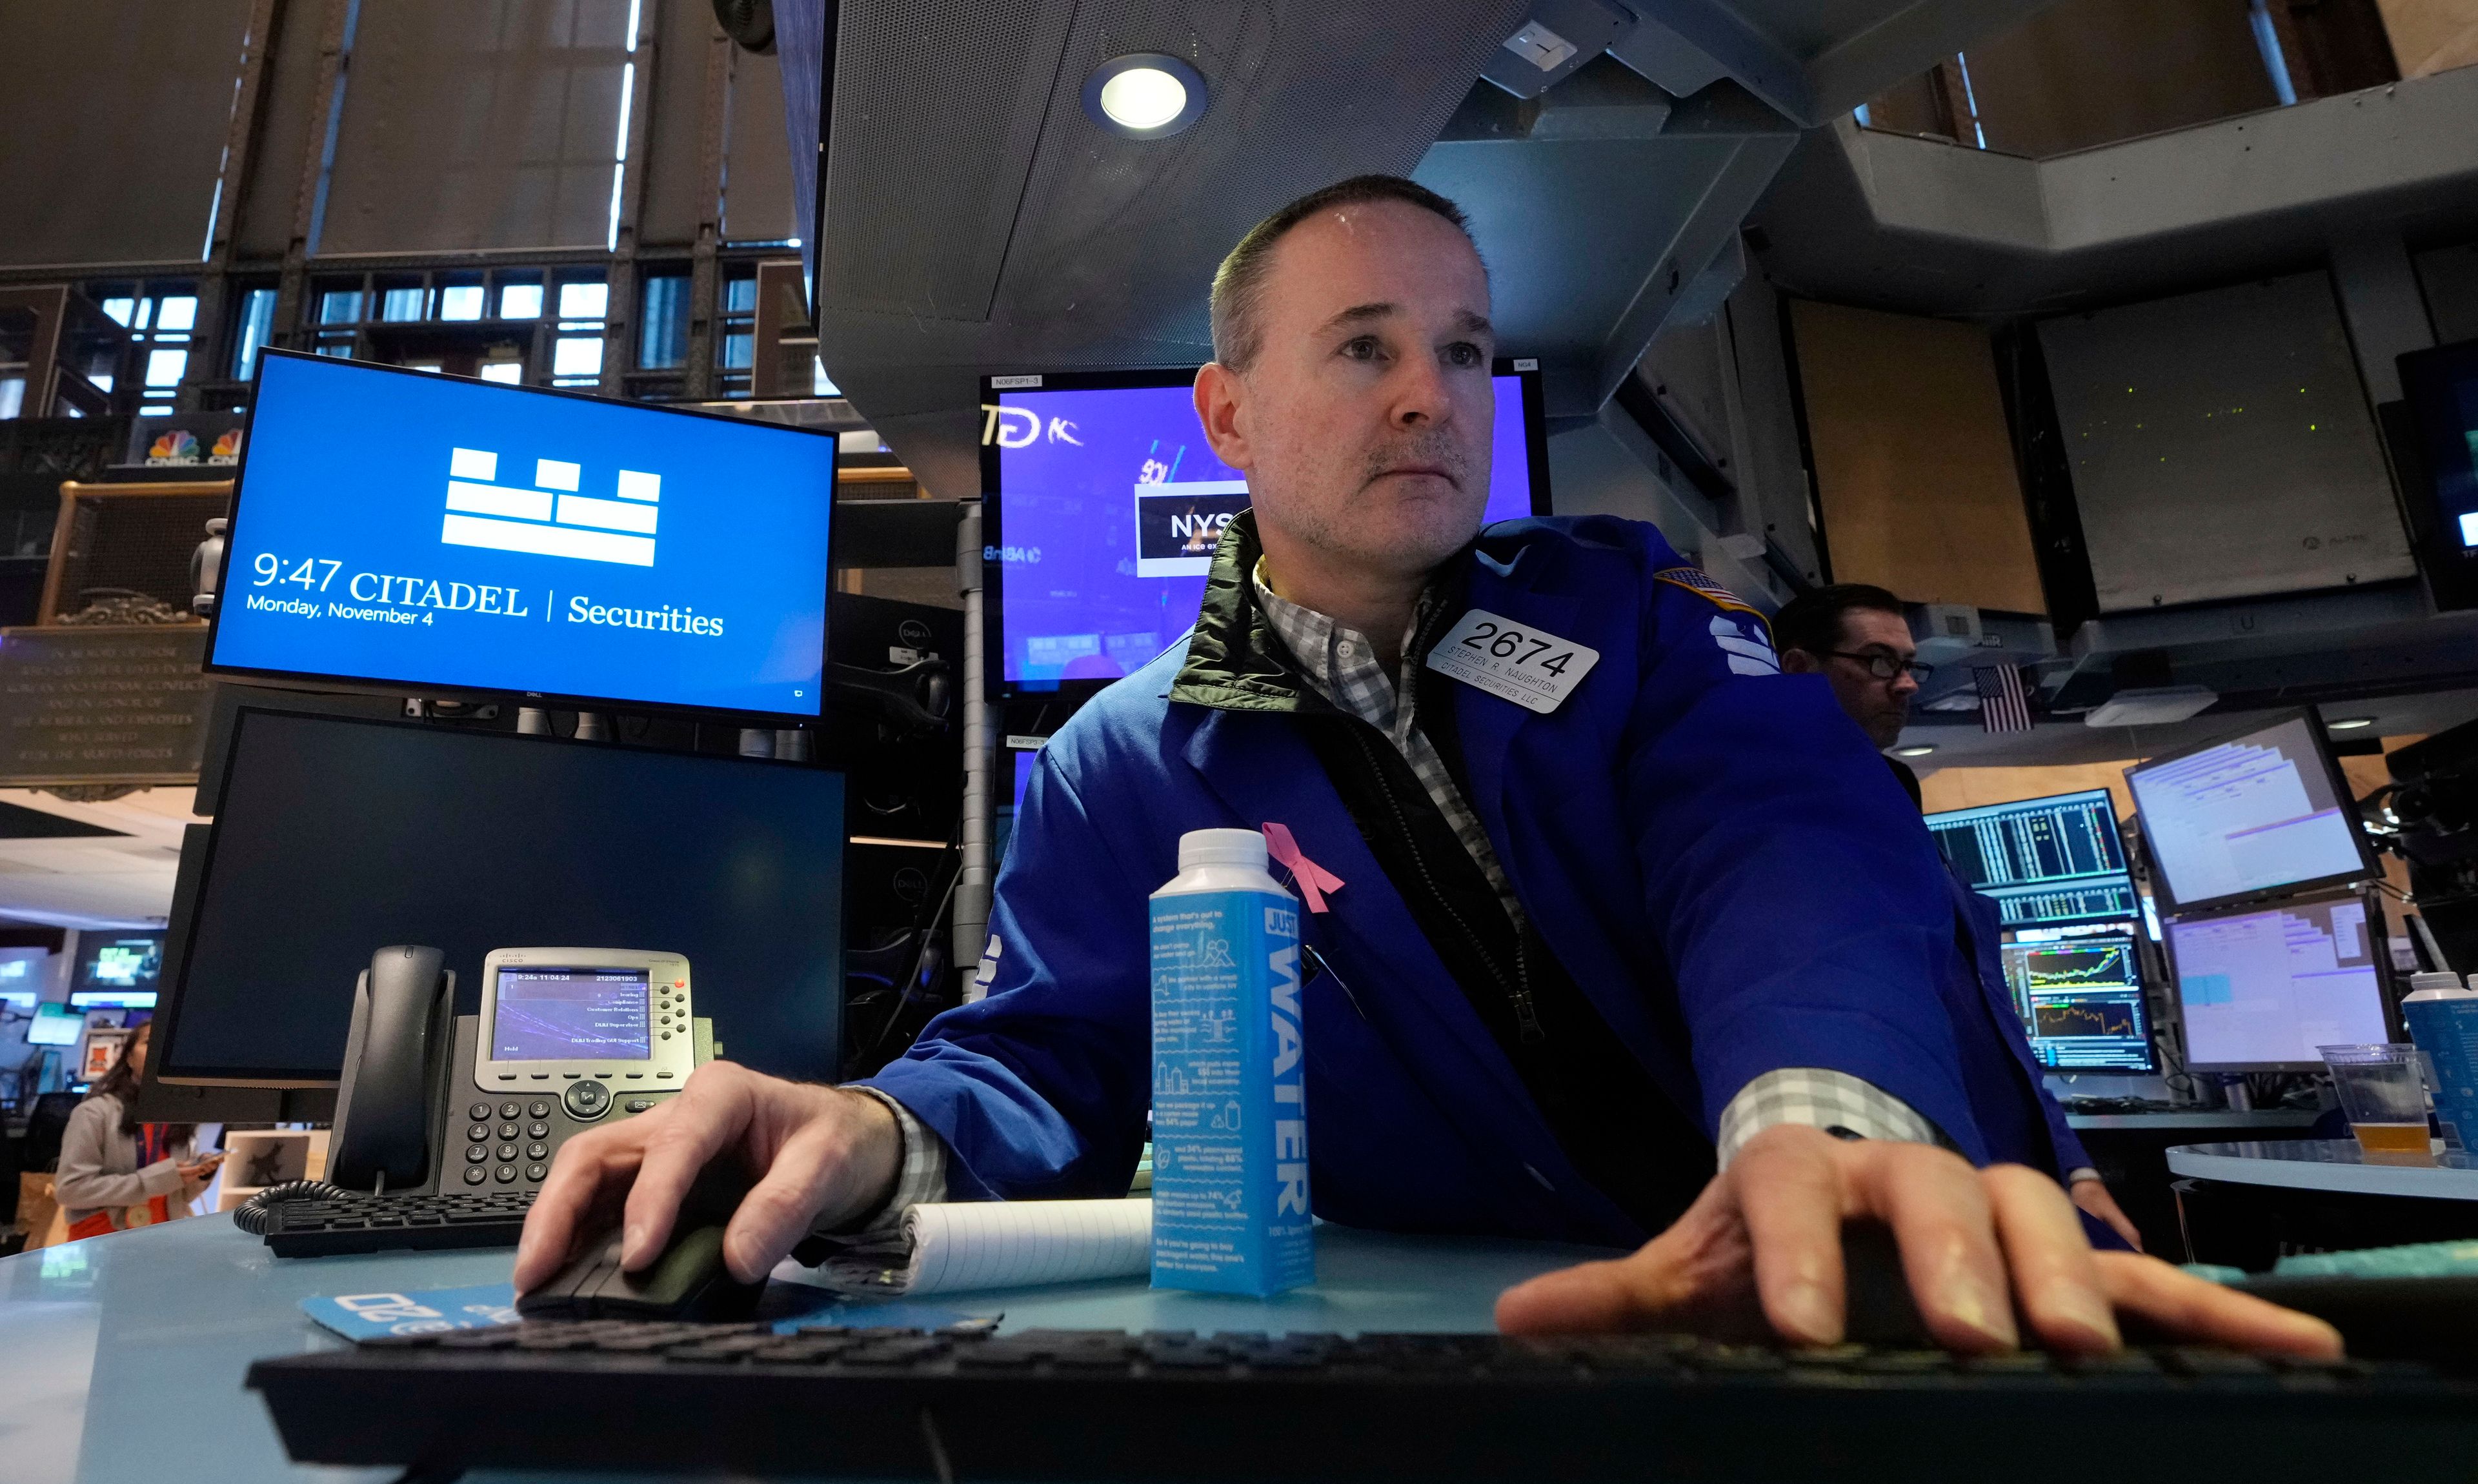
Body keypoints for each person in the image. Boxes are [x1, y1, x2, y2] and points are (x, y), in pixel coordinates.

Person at [520, 176, 2330, 1359]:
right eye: (1366, 348)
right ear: (1226, 415)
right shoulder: (1121, 771)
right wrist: (879, 1127)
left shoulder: (1629, 612)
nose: (1432, 397)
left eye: (1462, 350)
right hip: (1503, 1345)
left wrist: (1821, 1119)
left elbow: (1793, 853)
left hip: (1889, 1278)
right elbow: (1046, 1057)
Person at [1773, 585, 2145, 1250]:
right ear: (1800, 669)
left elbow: (1988, 1012)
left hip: (2012, 1171)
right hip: (1912, 1181)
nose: (1909, 684)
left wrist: (2073, 1165)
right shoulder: (1771, 819)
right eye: (1880, 661)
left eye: (1912, 664)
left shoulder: (1894, 801)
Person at [52, 1023, 222, 1241]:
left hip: (164, 1242)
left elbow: (178, 1197)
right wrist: (155, 1179)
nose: (161, 1051)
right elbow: (71, 1191)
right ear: (129, 1059)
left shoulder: (181, 1118)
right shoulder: (94, 1113)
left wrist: (200, 1175)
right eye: (151, 1042)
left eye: (170, 1046)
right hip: (102, 1244)